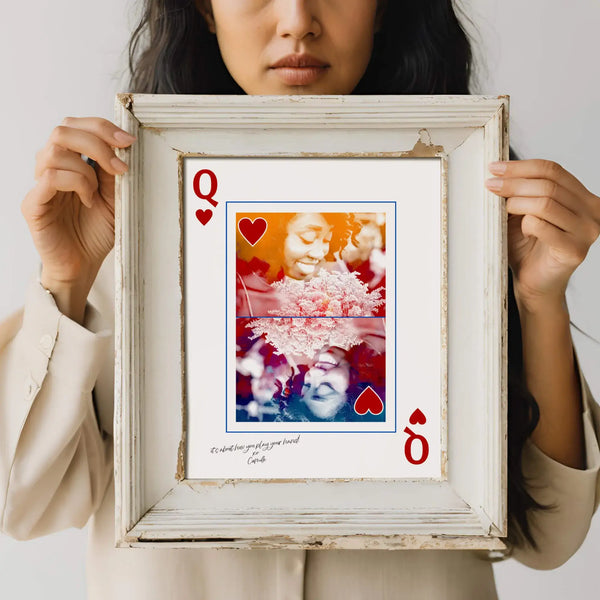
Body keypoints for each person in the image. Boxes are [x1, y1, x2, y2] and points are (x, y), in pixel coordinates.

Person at [1, 0, 600, 598]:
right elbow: (23, 505)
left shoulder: (465, 213)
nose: (296, 19)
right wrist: (66, 280)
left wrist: (539, 297)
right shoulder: (126, 224)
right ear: (204, 11)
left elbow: (550, 535)